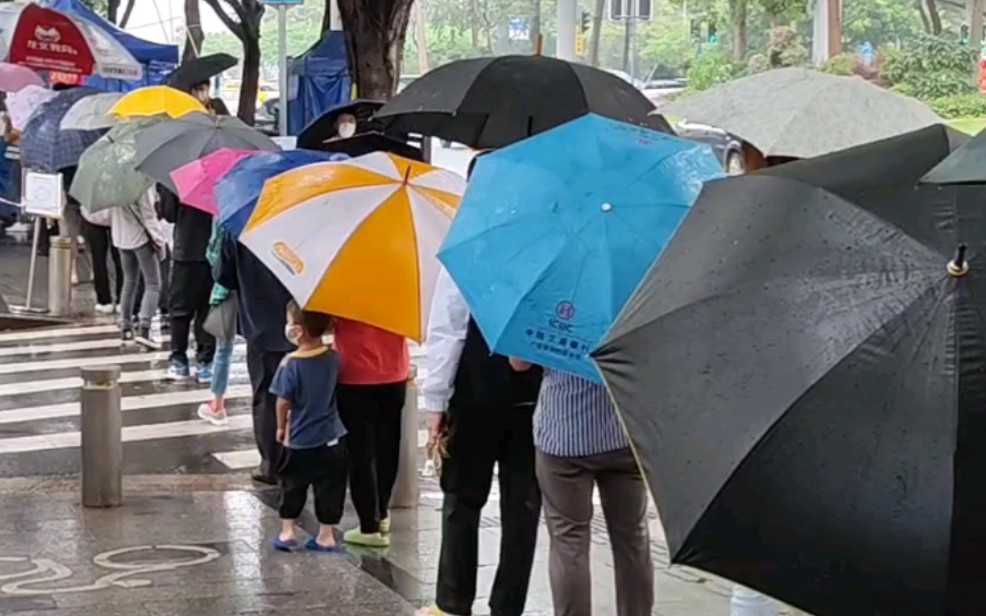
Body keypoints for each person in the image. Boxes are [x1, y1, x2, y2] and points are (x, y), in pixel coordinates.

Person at [416, 266, 542, 616]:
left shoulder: (472, 252)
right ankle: (508, 605)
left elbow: (449, 327)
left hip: (475, 393)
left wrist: (436, 402)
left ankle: (453, 601)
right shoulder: (553, 253)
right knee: (523, 508)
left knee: (462, 499)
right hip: (533, 398)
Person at [508, 361, 653, 616]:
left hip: (563, 434)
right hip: (623, 429)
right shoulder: (623, 317)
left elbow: (519, 364)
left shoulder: (542, 316)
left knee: (568, 542)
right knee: (633, 539)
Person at [270, 301, 348, 553]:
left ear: (298, 331)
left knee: (292, 485)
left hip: (299, 440)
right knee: (330, 486)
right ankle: (326, 535)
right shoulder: (333, 358)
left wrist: (281, 428)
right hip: (331, 437)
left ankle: (288, 531)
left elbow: (283, 402)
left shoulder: (289, 364)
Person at [216, 231, 293, 485]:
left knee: (267, 395)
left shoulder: (237, 225)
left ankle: (271, 463)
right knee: (302, 393)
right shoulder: (296, 214)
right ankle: (302, 458)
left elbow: (223, 275)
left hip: (258, 322)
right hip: (298, 321)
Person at [334, 318, 409, 548]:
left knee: (360, 454)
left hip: (354, 374)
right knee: (388, 446)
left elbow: (321, 321)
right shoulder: (399, 285)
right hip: (395, 372)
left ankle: (369, 525)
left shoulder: (341, 287)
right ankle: (383, 512)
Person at [159, 184, 215, 381]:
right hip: (213, 249)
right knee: (207, 308)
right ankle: (206, 361)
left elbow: (169, 214)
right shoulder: (222, 175)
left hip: (187, 250)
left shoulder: (179, 177)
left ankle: (179, 359)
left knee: (180, 310)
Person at [110, 188, 166, 350]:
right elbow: (148, 214)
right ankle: (145, 329)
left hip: (121, 236)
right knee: (153, 284)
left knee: (129, 282)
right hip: (141, 237)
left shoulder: (113, 182)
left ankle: (126, 326)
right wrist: (159, 240)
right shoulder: (141, 183)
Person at [197, 220, 234, 426]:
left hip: (228, 286)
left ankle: (218, 404)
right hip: (258, 288)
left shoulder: (226, 212)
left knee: (223, 348)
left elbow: (213, 254)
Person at [80, 205, 122, 314]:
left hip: (92, 216)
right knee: (120, 259)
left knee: (98, 259)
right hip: (117, 216)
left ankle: (104, 301)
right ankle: (121, 299)